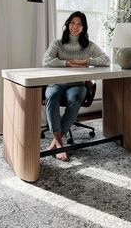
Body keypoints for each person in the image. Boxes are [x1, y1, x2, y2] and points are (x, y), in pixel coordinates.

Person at [42, 11, 110, 161]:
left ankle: (56, 141)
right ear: (67, 24)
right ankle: (60, 144)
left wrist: (85, 62)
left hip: (77, 85)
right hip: (56, 84)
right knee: (51, 96)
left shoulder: (89, 46)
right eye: (72, 23)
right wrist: (66, 62)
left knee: (76, 97)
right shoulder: (57, 43)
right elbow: (45, 60)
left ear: (83, 28)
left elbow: (106, 60)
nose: (75, 26)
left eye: (79, 24)